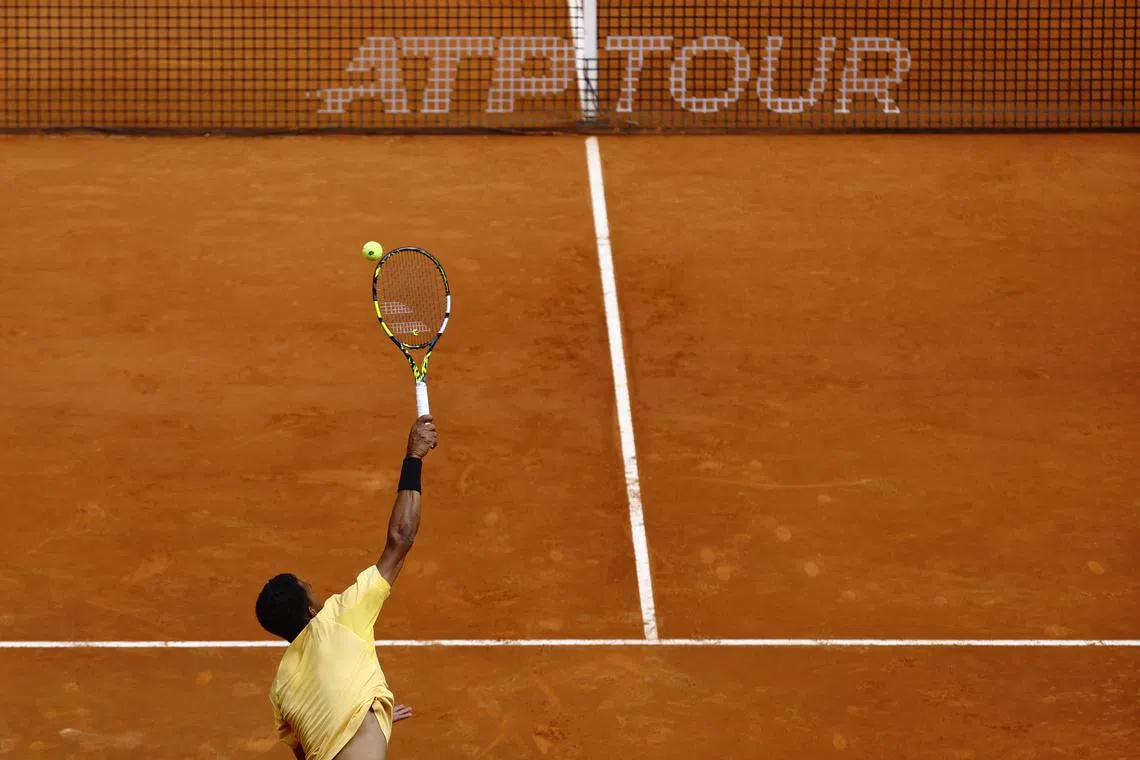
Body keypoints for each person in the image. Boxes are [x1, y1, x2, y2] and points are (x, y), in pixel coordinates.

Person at [255, 415, 438, 760]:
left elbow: (308, 751)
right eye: (309, 588)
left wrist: (368, 722)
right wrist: (413, 457)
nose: (317, 592)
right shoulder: (339, 618)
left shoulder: (281, 687)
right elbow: (402, 538)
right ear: (312, 611)